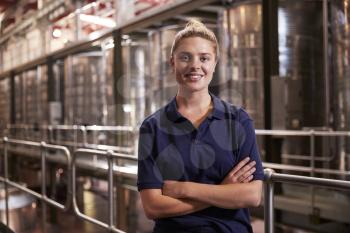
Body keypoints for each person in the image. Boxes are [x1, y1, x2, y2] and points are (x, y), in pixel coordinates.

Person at [137, 19, 264, 233]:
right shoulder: (153, 127)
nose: (195, 65)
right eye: (185, 57)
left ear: (215, 64)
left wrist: (185, 189)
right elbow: (152, 207)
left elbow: (252, 195)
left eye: (204, 58)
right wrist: (222, 191)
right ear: (172, 63)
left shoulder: (237, 121)